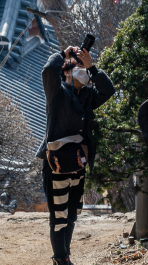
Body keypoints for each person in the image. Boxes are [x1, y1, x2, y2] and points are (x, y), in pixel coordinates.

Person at [37, 44, 115, 265]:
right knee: (58, 216)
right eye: (76, 66)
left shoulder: (88, 96)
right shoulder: (57, 93)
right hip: (56, 165)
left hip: (78, 165)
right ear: (66, 73)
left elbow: (108, 91)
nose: (81, 69)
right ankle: (60, 259)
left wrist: (93, 68)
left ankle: (65, 255)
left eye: (83, 67)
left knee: (71, 216)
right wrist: (64, 54)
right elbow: (47, 72)